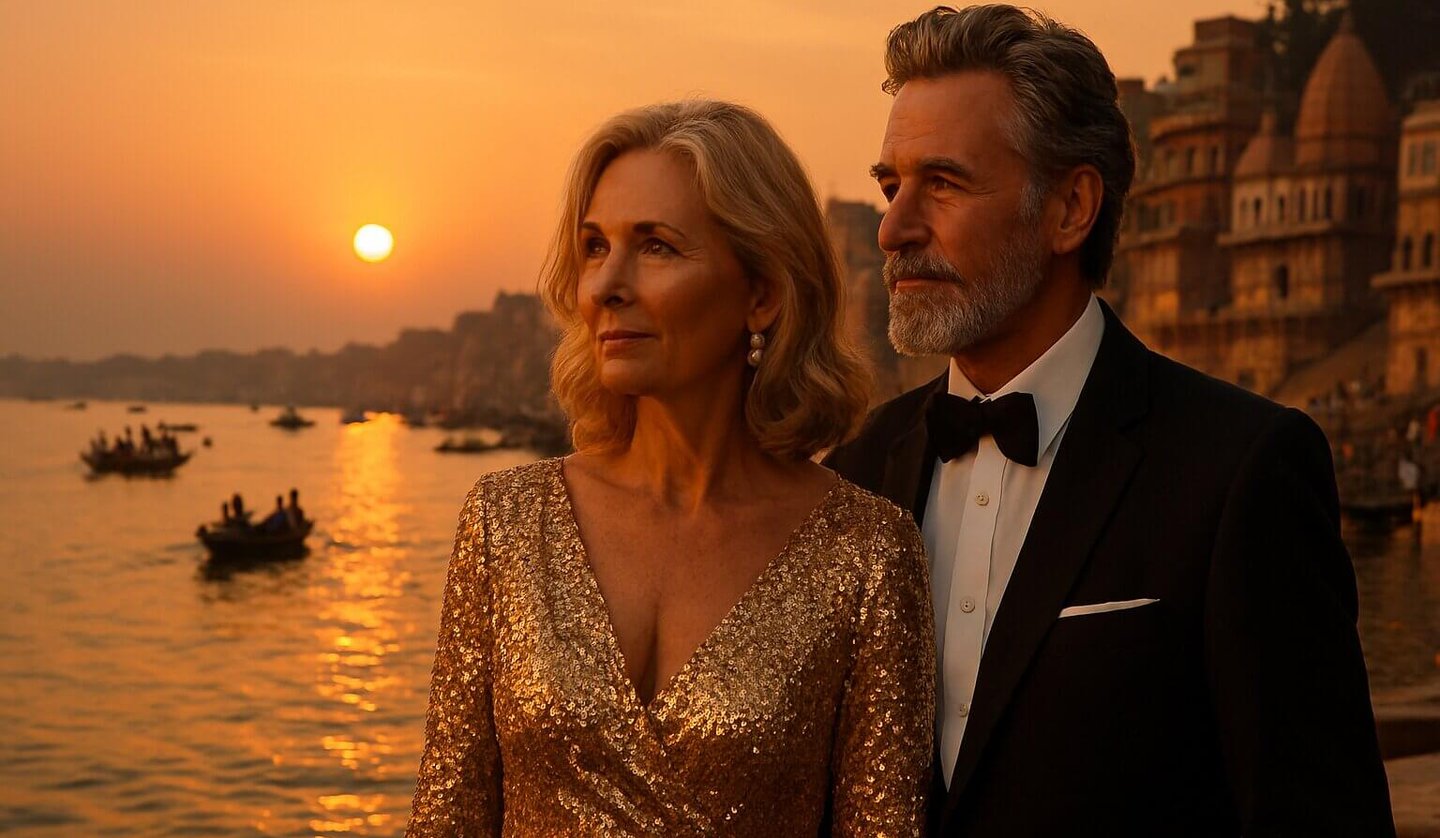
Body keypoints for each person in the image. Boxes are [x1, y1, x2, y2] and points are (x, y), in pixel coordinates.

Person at [824, 6, 1394, 835]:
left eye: (942, 184)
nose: (893, 229)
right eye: (890, 187)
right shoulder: (856, 475)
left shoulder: (1240, 471)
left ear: (1070, 210)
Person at [407, 100, 935, 836]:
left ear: (761, 293)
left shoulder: (867, 553)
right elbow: (447, 819)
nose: (605, 286)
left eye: (654, 246)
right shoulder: (505, 522)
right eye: (594, 248)